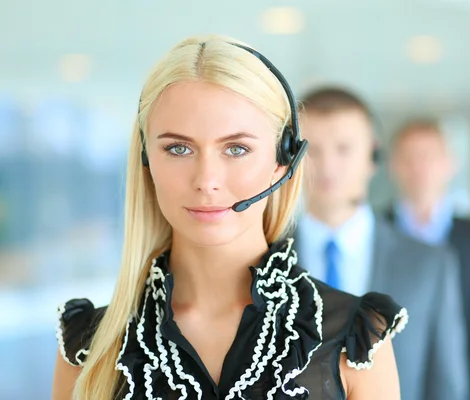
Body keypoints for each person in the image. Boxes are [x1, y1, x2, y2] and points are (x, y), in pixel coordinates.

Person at [51, 35, 408, 400]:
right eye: (178, 148)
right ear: (146, 160)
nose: (206, 181)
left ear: (282, 160)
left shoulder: (355, 341)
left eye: (236, 149)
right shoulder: (87, 349)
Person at [294, 87, 470, 400]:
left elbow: (447, 385)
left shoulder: (429, 264)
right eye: (312, 149)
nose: (328, 166)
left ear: (372, 157)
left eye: (344, 148)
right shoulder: (262, 259)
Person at [386, 118, 470, 400]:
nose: (420, 167)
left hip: (465, 382)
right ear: (394, 166)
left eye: (429, 157)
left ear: (450, 164)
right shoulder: (375, 231)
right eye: (409, 158)